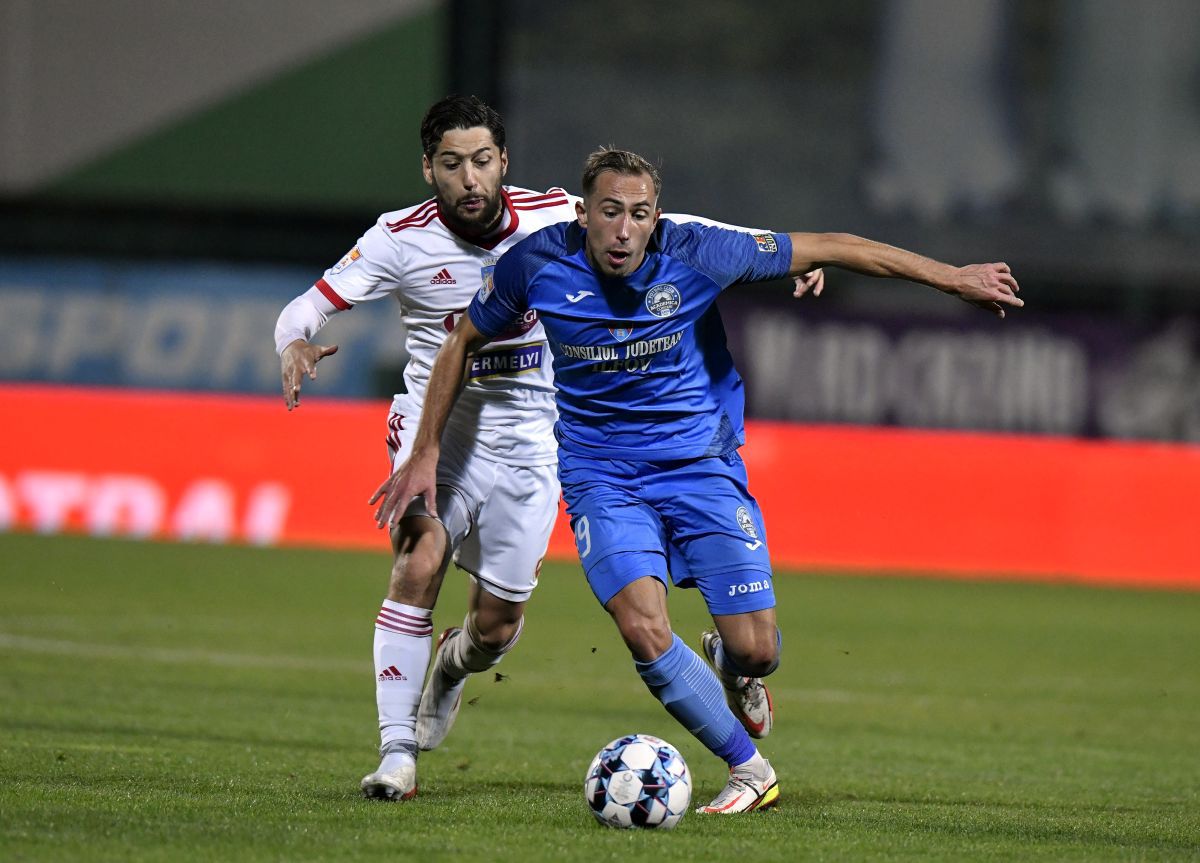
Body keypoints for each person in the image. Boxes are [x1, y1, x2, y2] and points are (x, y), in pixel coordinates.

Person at [371, 148, 1022, 814]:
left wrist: (952, 278)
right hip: (603, 477)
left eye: (640, 214)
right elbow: (460, 342)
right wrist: (425, 450)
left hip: (700, 469)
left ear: (657, 217)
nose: (624, 229)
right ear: (584, 212)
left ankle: (731, 664)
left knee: (758, 649)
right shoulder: (534, 264)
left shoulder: (699, 250)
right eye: (610, 212)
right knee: (642, 625)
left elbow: (838, 244)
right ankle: (749, 768)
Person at [274, 96, 798, 802]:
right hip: (442, 429)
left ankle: (455, 666)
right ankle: (396, 755)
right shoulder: (398, 238)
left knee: (496, 625)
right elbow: (305, 306)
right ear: (428, 168)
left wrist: (781, 260)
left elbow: (680, 228)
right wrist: (294, 342)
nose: (470, 179)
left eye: (482, 161)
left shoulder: (559, 218)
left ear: (503, 163)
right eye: (453, 164)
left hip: (532, 436)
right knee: (416, 558)